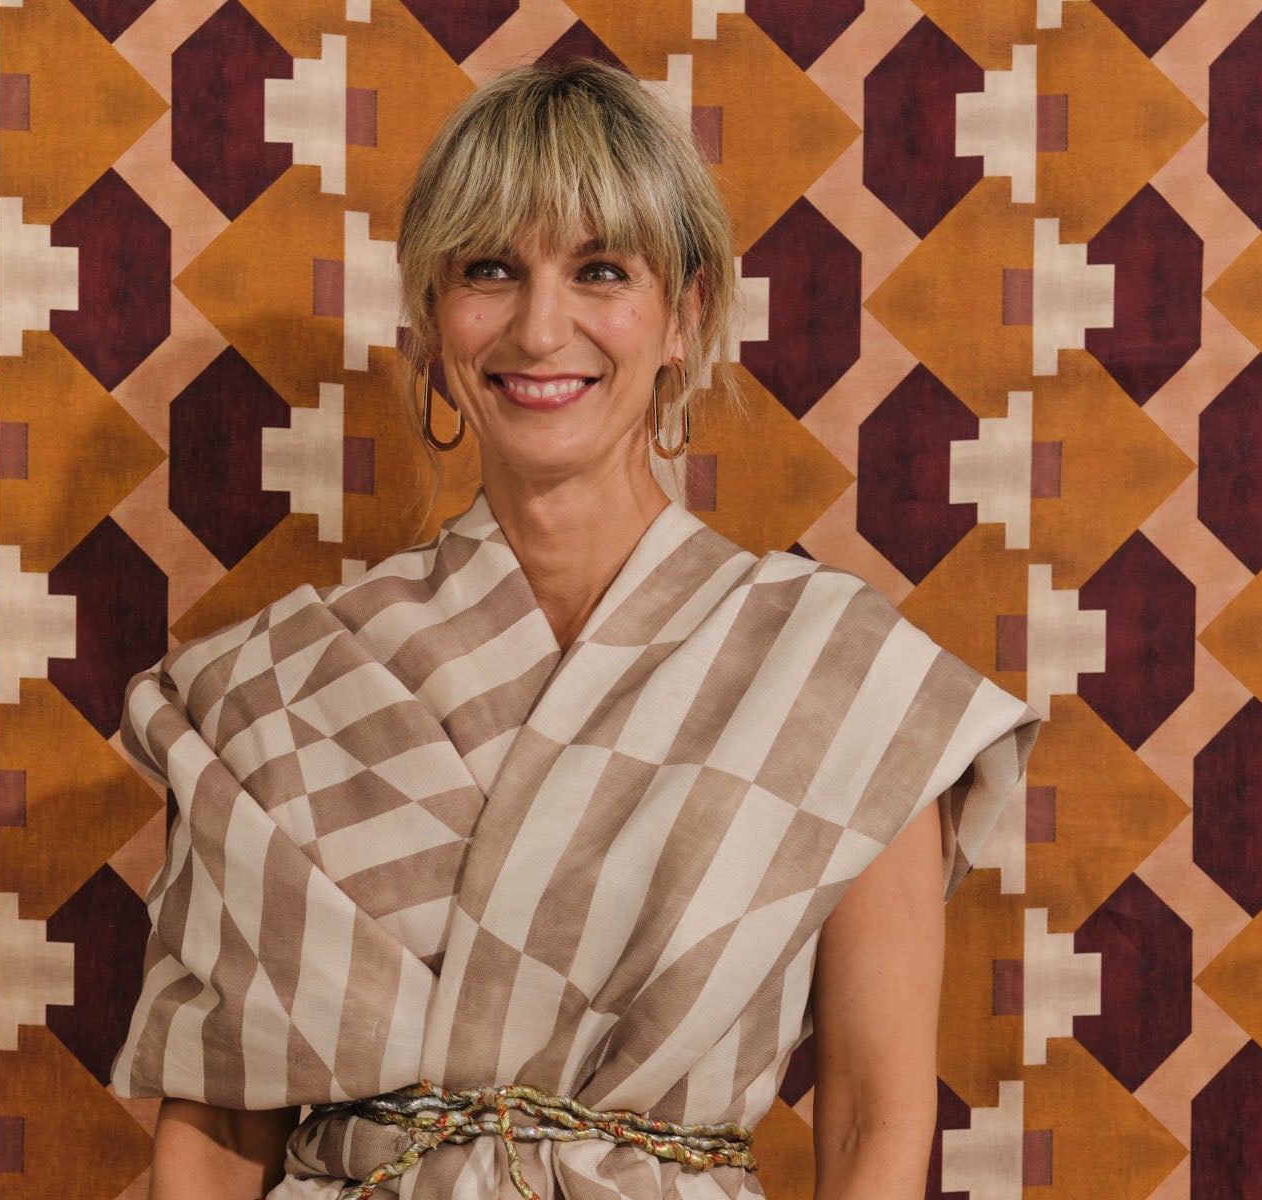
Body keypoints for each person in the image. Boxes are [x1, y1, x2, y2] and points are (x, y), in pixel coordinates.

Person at [112, 59, 1040, 1200]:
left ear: (682, 319)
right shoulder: (271, 691)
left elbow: (872, 1122)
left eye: (601, 270)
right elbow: (212, 1135)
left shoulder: (839, 681)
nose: (540, 327)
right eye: (489, 270)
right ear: (431, 320)